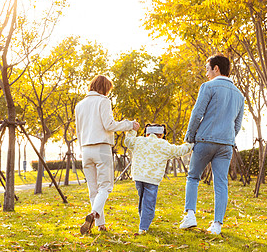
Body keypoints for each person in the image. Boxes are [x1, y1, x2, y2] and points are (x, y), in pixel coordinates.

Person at [179, 54, 244, 235]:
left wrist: (190, 137)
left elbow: (197, 113)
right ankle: (217, 225)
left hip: (205, 140)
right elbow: (237, 125)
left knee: (193, 177)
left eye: (207, 69)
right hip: (226, 144)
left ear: (216, 68)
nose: (206, 74)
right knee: (221, 183)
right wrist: (227, 139)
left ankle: (190, 215)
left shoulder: (208, 87)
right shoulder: (239, 95)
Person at [75, 75, 139, 234]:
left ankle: (99, 224)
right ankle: (93, 214)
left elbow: (78, 131)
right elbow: (109, 125)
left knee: (93, 190)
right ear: (104, 88)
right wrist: (129, 124)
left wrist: (81, 150)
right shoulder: (103, 101)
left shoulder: (79, 105)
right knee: (106, 186)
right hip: (101, 148)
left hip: (85, 149)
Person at [125, 124, 193, 234]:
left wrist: (133, 131)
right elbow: (179, 151)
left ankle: (143, 222)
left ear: (147, 133)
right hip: (152, 179)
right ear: (161, 134)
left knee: (142, 200)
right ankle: (143, 227)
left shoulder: (138, 141)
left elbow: (128, 141)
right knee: (149, 203)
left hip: (138, 177)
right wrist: (190, 144)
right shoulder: (163, 144)